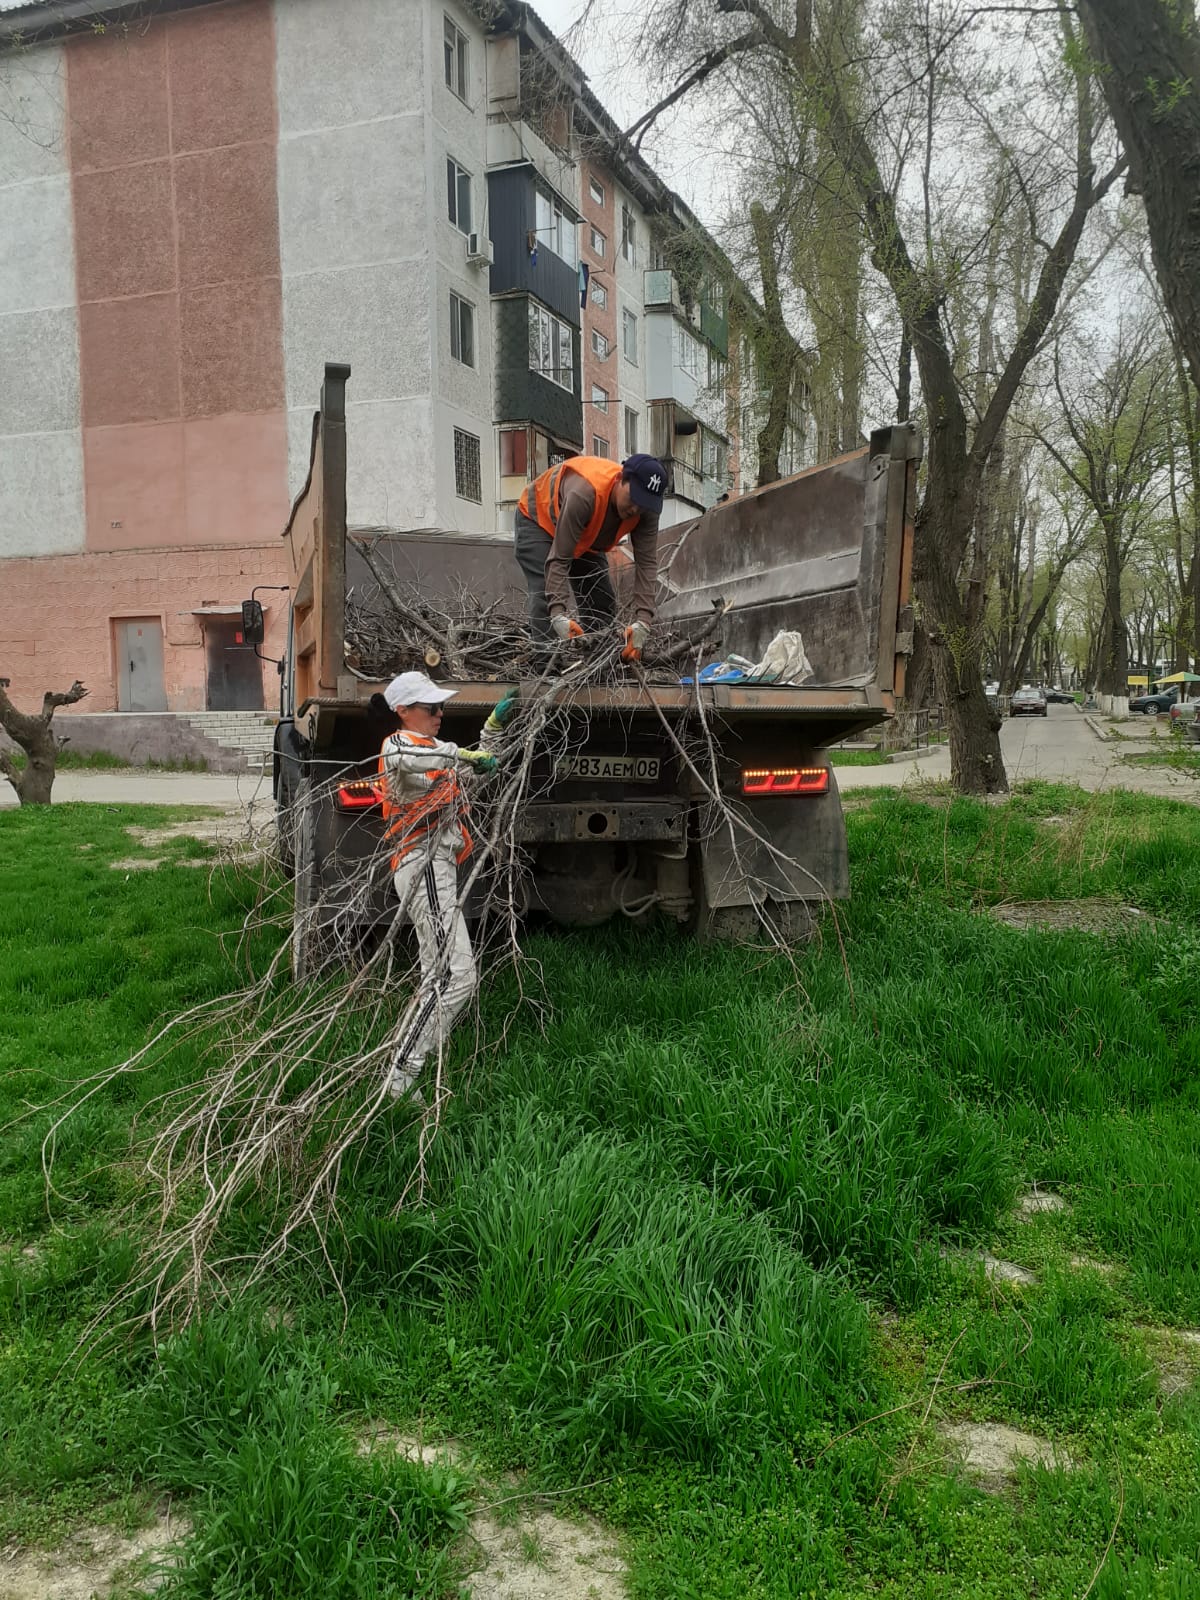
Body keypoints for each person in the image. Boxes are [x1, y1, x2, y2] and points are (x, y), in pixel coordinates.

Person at [372, 671, 518, 1102]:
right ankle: (400, 1078)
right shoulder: (399, 746)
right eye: (430, 707)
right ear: (403, 712)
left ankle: (402, 1073)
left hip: (436, 866)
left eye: (440, 706)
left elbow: (473, 775)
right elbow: (435, 760)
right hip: (421, 866)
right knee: (457, 976)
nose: (440, 713)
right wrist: (466, 755)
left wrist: (490, 733)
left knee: (436, 975)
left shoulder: (436, 753)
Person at [513, 453, 667, 662]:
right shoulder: (585, 493)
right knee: (544, 590)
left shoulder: (646, 511)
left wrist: (643, 621)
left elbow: (646, 564)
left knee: (600, 600)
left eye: (644, 505)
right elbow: (560, 558)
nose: (635, 509)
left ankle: (598, 665)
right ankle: (545, 668)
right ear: (621, 478)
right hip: (539, 521)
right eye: (633, 499)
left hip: (585, 535)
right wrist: (558, 613)